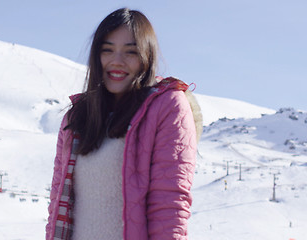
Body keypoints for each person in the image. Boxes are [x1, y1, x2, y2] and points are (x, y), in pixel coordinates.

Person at [46, 8, 202, 240]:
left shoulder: (167, 107)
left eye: (130, 52)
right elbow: (58, 204)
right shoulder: (78, 117)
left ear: (146, 57)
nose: (117, 62)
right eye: (107, 50)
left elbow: (170, 205)